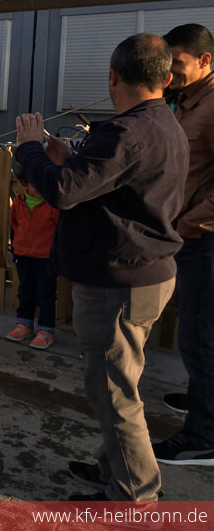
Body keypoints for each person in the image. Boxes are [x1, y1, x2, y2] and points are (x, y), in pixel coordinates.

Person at [14, 33, 188, 501]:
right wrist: (68, 160)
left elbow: (61, 192)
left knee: (113, 394)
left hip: (120, 282)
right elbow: (111, 186)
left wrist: (29, 148)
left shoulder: (127, 131)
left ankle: (134, 495)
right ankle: (116, 470)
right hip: (145, 273)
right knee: (118, 383)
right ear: (165, 78)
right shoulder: (164, 123)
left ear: (112, 76)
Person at [152, 23, 214, 466]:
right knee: (195, 332)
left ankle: (203, 436)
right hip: (188, 235)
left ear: (205, 60)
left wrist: (186, 224)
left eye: (178, 63)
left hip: (204, 238)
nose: (169, 72)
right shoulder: (185, 100)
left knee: (201, 335)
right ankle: (202, 399)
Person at [5, 168, 59, 350]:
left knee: (46, 294)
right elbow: (15, 225)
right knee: (25, 291)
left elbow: (59, 230)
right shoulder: (18, 202)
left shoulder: (52, 205)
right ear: (25, 183)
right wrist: (17, 248)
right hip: (23, 255)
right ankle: (24, 324)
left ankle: (46, 329)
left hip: (45, 258)